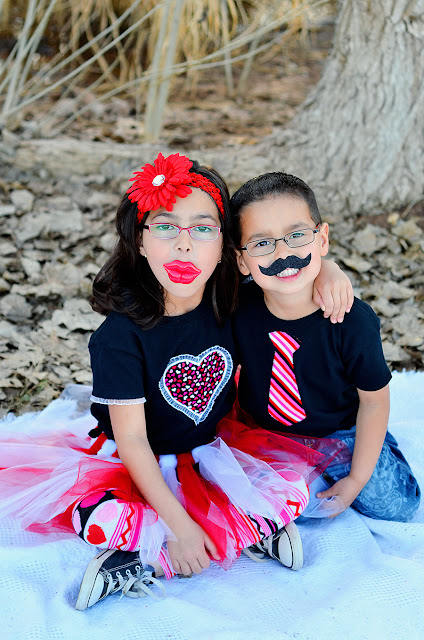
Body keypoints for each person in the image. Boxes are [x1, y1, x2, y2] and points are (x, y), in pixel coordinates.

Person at [0, 154, 352, 611]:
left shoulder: (233, 301)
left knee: (287, 489)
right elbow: (132, 441)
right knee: (108, 514)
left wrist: (329, 269)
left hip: (212, 449)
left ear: (226, 247)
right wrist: (179, 526)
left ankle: (245, 528)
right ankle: (131, 555)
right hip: (137, 459)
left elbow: (291, 274)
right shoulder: (119, 338)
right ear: (140, 241)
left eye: (203, 229)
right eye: (165, 227)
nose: (184, 246)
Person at [229, 171, 421, 527]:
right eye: (262, 243)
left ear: (322, 239)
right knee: (242, 492)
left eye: (297, 235)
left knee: (395, 506)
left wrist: (357, 479)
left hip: (339, 430)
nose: (283, 253)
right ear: (241, 260)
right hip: (266, 431)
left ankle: (373, 454)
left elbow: (374, 401)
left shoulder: (352, 321)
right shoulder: (237, 305)